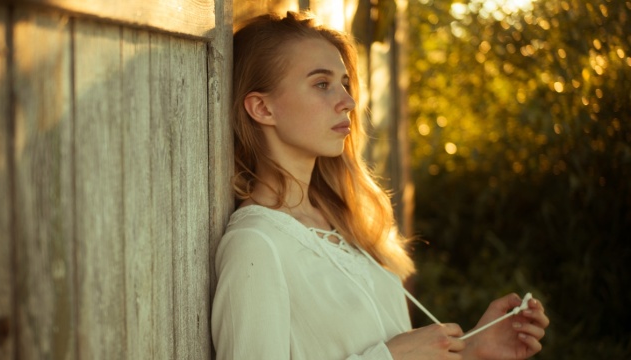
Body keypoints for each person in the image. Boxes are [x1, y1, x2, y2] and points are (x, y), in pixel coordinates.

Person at [211, 11, 549, 360]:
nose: (348, 101)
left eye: (343, 83)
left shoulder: (343, 223)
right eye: (321, 84)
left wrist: (473, 349)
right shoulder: (256, 244)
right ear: (262, 108)